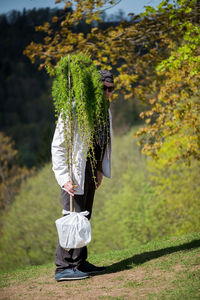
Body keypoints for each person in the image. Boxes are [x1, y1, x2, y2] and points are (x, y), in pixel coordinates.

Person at [51, 70, 114, 281]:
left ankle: (80, 262)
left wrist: (98, 169)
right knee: (72, 217)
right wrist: (63, 177)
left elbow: (101, 143)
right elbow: (57, 146)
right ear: (94, 89)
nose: (107, 92)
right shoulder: (74, 108)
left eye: (110, 88)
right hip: (73, 171)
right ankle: (63, 267)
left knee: (84, 217)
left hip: (89, 170)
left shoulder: (104, 111)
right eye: (103, 88)